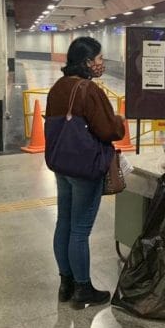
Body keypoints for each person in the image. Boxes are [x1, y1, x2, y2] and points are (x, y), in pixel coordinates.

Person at [45, 37, 125, 305]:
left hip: (62, 165)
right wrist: (120, 123)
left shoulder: (57, 87)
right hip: (84, 167)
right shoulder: (88, 90)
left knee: (64, 223)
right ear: (88, 62)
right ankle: (83, 289)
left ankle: (65, 284)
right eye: (99, 59)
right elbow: (107, 130)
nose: (101, 64)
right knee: (80, 229)